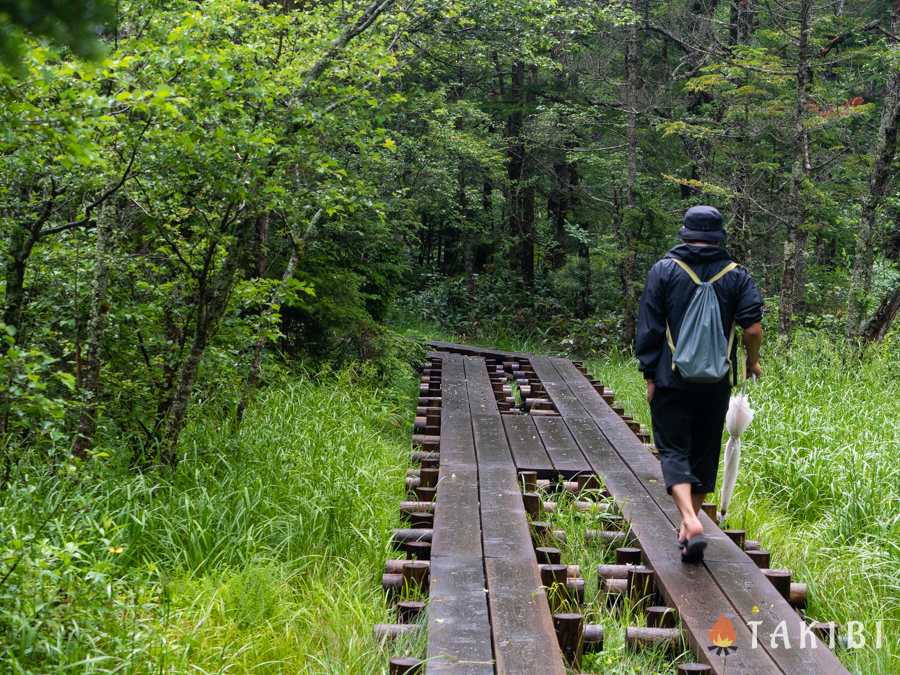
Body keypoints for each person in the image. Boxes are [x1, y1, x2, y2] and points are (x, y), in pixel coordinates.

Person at [635, 205, 763, 563]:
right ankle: (691, 523)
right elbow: (752, 328)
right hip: (716, 382)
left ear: (685, 234)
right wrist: (752, 361)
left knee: (674, 449)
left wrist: (649, 373)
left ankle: (689, 522)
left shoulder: (663, 271)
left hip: (669, 378)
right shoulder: (737, 276)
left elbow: (649, 329)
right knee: (705, 452)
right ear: (720, 236)